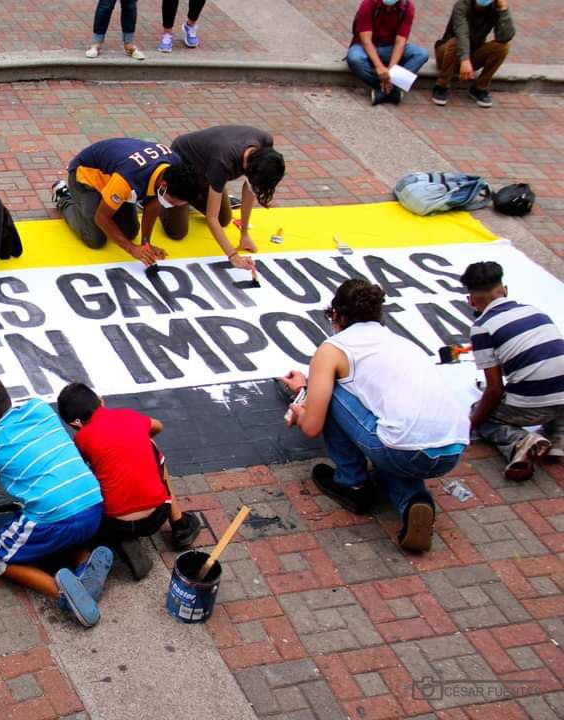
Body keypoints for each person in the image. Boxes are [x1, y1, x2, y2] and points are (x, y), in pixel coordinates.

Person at [279, 280, 469, 552]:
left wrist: (302, 408)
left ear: (336, 314)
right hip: (452, 449)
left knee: (382, 435)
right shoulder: (400, 342)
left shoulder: (333, 348)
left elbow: (312, 426)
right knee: (395, 445)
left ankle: (352, 483)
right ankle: (415, 502)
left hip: (402, 447)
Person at [0, 372, 113, 628]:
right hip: (93, 506)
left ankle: (65, 595)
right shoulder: (40, 408)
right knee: (60, 533)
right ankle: (85, 565)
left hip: (53, 518)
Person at [56, 382, 203, 579]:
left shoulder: (81, 438)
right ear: (101, 401)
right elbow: (159, 426)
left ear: (74, 424)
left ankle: (121, 540)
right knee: (153, 450)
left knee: (93, 472)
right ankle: (180, 526)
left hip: (115, 523)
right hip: (157, 517)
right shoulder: (128, 415)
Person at [461, 261, 563, 481]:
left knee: (483, 414)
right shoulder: (534, 310)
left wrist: (470, 426)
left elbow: (495, 390)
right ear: (504, 290)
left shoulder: (482, 327)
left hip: (536, 404)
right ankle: (558, 439)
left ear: (471, 301)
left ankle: (520, 443)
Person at [50, 137, 199, 267]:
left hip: (115, 177)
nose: (171, 207)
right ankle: (64, 197)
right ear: (164, 186)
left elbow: (153, 202)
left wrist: (145, 243)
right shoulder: (127, 180)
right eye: (172, 202)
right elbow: (101, 217)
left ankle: (108, 201)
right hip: (85, 177)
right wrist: (131, 249)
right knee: (95, 239)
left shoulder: (174, 167)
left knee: (130, 232)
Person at [159, 126, 284, 272]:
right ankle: (163, 196)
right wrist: (233, 255)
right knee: (177, 232)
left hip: (208, 171)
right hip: (183, 167)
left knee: (224, 219)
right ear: (249, 168)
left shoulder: (264, 143)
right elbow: (212, 219)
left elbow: (250, 188)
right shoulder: (223, 161)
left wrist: (244, 234)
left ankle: (209, 191)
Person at [432, 0, 514, 108]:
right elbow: (462, 34)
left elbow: (505, 37)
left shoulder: (495, 8)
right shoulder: (461, 5)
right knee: (456, 42)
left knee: (502, 47)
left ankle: (480, 88)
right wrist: (465, 59)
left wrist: (503, 9)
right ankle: (441, 85)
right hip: (447, 54)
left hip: (472, 54)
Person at [346, 0, 430, 105]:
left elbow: (400, 42)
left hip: (389, 47)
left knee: (421, 54)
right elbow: (366, 40)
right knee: (355, 58)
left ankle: (386, 88)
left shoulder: (407, 7)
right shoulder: (368, 3)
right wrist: (379, 67)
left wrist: (391, 71)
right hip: (363, 46)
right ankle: (388, 88)